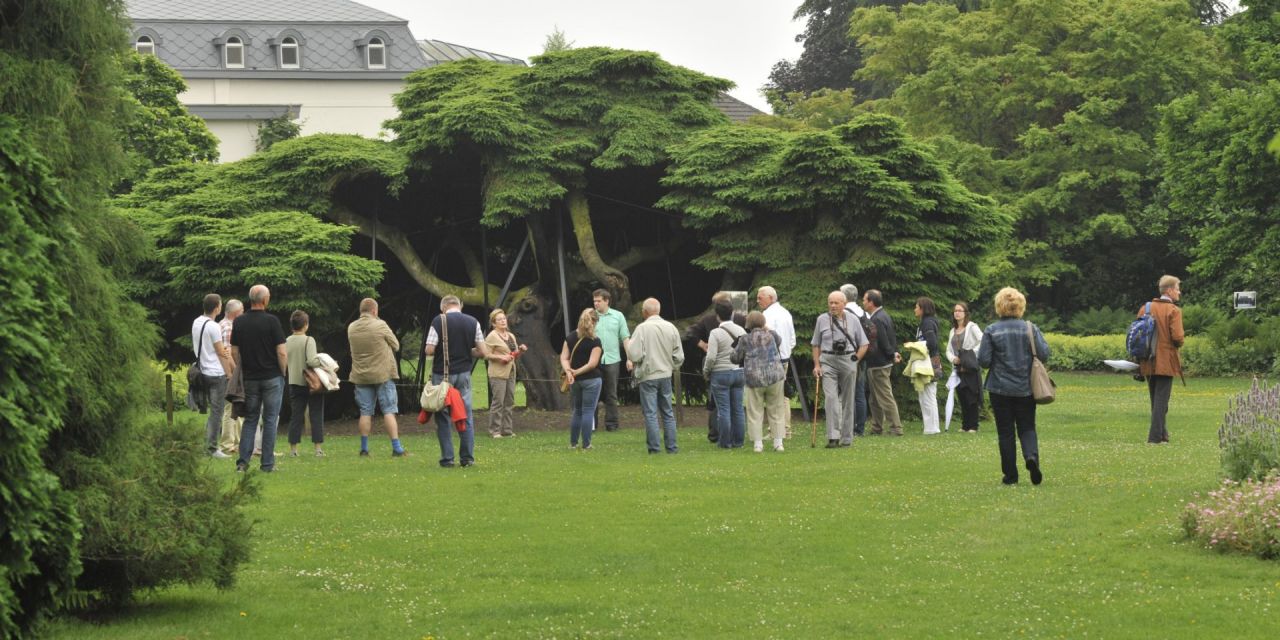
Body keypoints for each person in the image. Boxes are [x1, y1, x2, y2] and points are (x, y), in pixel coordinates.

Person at [978, 287, 1050, 485]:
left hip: (999, 389)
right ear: (1020, 306)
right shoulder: (1029, 328)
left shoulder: (991, 330)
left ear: (999, 306)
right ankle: (1031, 457)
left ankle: (1010, 476)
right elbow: (1044, 353)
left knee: (1005, 432)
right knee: (1027, 427)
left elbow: (983, 360)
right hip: (1025, 387)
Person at [426, 295, 490, 467]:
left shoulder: (438, 321)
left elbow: (430, 350)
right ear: (459, 306)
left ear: (443, 307)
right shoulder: (473, 321)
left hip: (443, 376)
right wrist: (465, 350)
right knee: (465, 415)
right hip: (464, 375)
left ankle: (447, 459)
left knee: (443, 416)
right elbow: (483, 352)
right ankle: (467, 458)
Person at [231, 284, 287, 473]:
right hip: (271, 377)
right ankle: (267, 464)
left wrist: (243, 367)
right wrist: (282, 371)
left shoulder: (239, 322)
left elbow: (234, 351)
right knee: (270, 419)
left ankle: (242, 463)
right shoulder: (272, 321)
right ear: (264, 300)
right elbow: (281, 352)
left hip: (249, 378)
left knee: (250, 419)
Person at [348, 298, 406, 457]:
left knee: (365, 411)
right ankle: (396, 447)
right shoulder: (380, 325)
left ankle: (364, 448)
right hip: (382, 375)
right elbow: (396, 345)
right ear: (375, 311)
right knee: (388, 410)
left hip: (361, 375)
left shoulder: (351, 327)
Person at [626, 298, 685, 454]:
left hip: (648, 375)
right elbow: (679, 356)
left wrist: (638, 362)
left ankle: (654, 448)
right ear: (658, 310)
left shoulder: (642, 328)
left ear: (645, 312)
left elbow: (633, 353)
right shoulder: (671, 327)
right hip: (666, 374)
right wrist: (671, 367)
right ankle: (672, 448)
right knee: (668, 412)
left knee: (651, 413)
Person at [812, 291, 869, 448]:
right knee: (830, 398)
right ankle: (833, 437)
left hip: (847, 359)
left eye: (836, 303)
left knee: (848, 399)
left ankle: (846, 437)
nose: (833, 306)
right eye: (830, 302)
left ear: (844, 304)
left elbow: (864, 343)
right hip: (828, 361)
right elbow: (816, 344)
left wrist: (856, 359)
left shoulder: (853, 320)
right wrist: (817, 365)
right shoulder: (822, 320)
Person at [687, 291, 745, 443]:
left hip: (719, 370)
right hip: (738, 369)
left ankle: (718, 437)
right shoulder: (741, 321)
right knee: (738, 408)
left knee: (717, 406)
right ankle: (738, 440)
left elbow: (691, 333)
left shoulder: (709, 321)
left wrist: (702, 346)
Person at [1139, 275, 1185, 444]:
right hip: (1165, 361)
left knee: (1156, 399)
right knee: (1161, 401)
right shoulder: (1173, 310)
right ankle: (1155, 437)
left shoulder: (1146, 308)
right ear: (1169, 290)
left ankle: (1163, 435)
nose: (1179, 292)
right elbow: (1178, 337)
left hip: (1147, 360)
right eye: (1177, 288)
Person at [734, 311, 787, 452]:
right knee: (776, 409)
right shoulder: (773, 335)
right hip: (775, 376)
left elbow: (735, 357)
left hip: (754, 378)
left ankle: (758, 444)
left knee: (755, 411)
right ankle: (778, 443)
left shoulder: (745, 339)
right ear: (763, 322)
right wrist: (767, 329)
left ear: (748, 324)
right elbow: (780, 341)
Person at [193, 293, 234, 458]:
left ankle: (208, 445)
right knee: (217, 412)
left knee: (212, 411)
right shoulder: (213, 326)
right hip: (215, 373)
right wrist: (230, 374)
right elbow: (221, 353)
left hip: (202, 370)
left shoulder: (197, 322)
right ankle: (212, 448)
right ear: (217, 307)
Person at [703, 300, 748, 448]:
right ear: (732, 313)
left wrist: (706, 371)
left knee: (723, 410)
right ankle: (739, 442)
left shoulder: (715, 333)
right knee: (738, 409)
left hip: (720, 373)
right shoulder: (741, 331)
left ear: (717, 316)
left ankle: (725, 442)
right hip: (739, 372)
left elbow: (710, 357)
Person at [861, 289, 903, 436]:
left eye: (865, 300)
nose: (863, 302)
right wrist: (894, 352)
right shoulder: (883, 315)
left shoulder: (877, 319)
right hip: (878, 363)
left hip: (879, 363)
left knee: (885, 396)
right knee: (874, 398)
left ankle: (896, 428)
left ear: (871, 302)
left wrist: (892, 354)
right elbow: (892, 337)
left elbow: (884, 340)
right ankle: (876, 427)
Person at [561, 309, 604, 450]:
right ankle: (586, 444)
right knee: (588, 411)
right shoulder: (595, 341)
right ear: (595, 322)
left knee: (577, 411)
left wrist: (569, 372)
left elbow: (564, 358)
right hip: (591, 380)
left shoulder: (571, 337)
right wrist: (576, 372)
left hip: (575, 381)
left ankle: (573, 443)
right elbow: (592, 364)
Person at [285, 310, 325, 457]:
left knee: (295, 416)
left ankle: (293, 450)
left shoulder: (287, 341)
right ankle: (318, 449)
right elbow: (312, 361)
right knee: (316, 414)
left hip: (293, 382)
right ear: (306, 325)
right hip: (311, 383)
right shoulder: (309, 340)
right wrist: (323, 360)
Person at [757, 286, 795, 436]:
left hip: (772, 360)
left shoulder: (767, 315)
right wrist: (786, 352)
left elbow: (766, 339)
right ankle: (783, 428)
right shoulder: (786, 313)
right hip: (784, 358)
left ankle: (779, 430)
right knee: (781, 395)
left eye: (760, 298)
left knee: (774, 396)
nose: (758, 300)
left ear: (771, 298)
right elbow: (792, 339)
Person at [592, 289, 632, 432]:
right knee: (593, 393)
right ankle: (592, 425)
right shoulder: (590, 316)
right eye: (594, 301)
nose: (596, 303)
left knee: (611, 394)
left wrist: (630, 358)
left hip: (612, 360)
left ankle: (612, 425)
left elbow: (625, 338)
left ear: (607, 301)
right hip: (593, 361)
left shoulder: (618, 316)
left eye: (599, 301)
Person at [484, 308, 527, 438]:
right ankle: (495, 431)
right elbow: (485, 354)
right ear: (494, 323)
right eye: (500, 320)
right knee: (498, 402)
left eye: (504, 319)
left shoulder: (511, 335)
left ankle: (507, 430)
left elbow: (513, 355)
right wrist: (500, 358)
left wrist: (520, 351)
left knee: (509, 401)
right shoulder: (491, 336)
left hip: (511, 371)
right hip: (498, 373)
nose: (503, 321)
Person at [217, 299, 251, 455]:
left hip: (228, 372)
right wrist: (234, 374)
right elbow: (228, 353)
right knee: (231, 407)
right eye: (242, 309)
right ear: (235, 312)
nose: (244, 312)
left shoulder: (221, 324)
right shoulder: (229, 327)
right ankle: (227, 443)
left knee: (236, 405)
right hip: (231, 372)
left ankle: (236, 442)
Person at [946, 302, 984, 432]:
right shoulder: (952, 331)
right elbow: (948, 350)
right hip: (958, 368)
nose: (957, 313)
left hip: (970, 368)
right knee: (961, 396)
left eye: (960, 311)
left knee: (971, 397)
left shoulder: (972, 327)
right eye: (955, 311)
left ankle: (973, 425)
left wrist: (969, 354)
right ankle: (965, 425)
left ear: (965, 313)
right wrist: (953, 358)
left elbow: (982, 340)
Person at [840, 284, 871, 436]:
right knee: (859, 392)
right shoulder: (863, 312)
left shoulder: (844, 313)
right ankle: (860, 428)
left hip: (849, 355)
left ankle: (849, 427)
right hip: (862, 354)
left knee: (848, 392)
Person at [914, 297, 943, 435]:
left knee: (929, 394)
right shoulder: (924, 323)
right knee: (924, 394)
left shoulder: (928, 323)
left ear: (923, 308)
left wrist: (915, 346)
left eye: (917, 307)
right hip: (928, 360)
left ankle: (932, 428)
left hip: (930, 361)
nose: (915, 309)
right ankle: (929, 426)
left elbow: (932, 343)